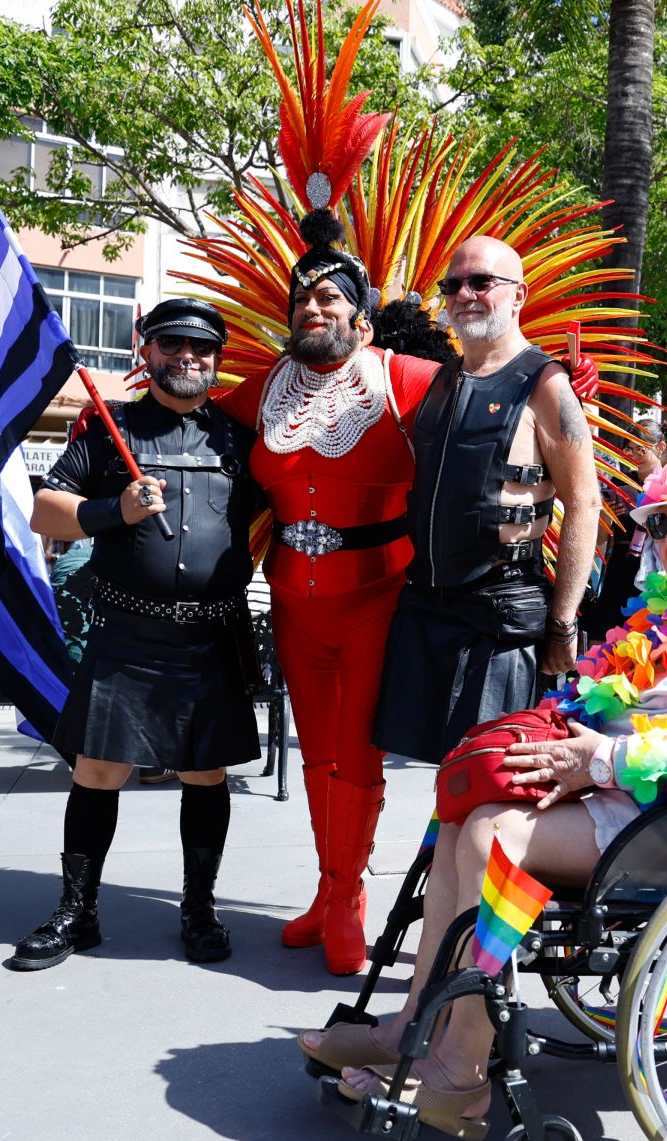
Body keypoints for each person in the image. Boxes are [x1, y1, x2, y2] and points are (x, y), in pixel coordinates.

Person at [299, 451, 667, 1136]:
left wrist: (608, 757)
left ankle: (462, 1069)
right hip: (640, 799)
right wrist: (569, 736)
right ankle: (409, 1026)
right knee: (461, 817)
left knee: (494, 834)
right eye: (660, 524)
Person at [214, 211, 445, 975]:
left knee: (354, 752)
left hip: (378, 595)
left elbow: (491, 407)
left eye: (330, 301)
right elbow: (189, 423)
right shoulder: (262, 391)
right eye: (302, 303)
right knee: (314, 751)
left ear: (362, 317)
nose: (314, 311)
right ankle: (327, 886)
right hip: (292, 600)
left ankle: (348, 898)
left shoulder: (404, 380)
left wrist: (555, 394)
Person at [11, 299, 261, 971]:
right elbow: (44, 512)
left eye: (202, 347)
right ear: (145, 351)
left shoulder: (239, 439)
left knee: (205, 774)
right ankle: (78, 911)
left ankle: (199, 909)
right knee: (97, 771)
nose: (188, 355)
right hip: (126, 634)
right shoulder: (106, 430)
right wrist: (111, 509)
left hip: (210, 638)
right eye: (173, 343)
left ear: (217, 360)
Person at [374, 235, 602, 764]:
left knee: (488, 780)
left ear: (518, 295)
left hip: (501, 616)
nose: (464, 295)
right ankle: (441, 852)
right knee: (443, 776)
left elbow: (584, 504)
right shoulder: (440, 380)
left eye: (482, 282)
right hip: (426, 605)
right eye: (452, 285)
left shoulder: (546, 385)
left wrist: (563, 622)